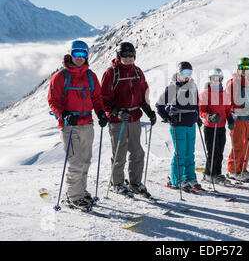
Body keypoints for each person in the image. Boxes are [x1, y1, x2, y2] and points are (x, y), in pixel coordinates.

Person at [48, 40, 108, 210]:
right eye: (76, 54)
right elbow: (52, 100)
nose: (80, 58)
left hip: (87, 123)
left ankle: (80, 190)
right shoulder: (61, 76)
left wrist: (101, 113)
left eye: (83, 54)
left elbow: (97, 98)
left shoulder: (91, 76)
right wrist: (64, 114)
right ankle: (73, 196)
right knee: (75, 162)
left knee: (86, 160)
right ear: (70, 54)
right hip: (69, 125)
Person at [101, 42, 156, 198]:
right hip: (118, 121)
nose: (128, 58)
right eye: (124, 56)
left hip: (134, 118)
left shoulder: (138, 72)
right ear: (119, 56)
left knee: (137, 152)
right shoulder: (111, 73)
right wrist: (117, 112)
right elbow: (103, 99)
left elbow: (143, 93)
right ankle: (117, 183)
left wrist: (148, 110)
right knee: (120, 153)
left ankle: (135, 183)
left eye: (131, 55)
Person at [155, 61, 203, 191]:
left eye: (189, 73)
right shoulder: (172, 88)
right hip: (179, 124)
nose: (186, 75)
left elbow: (195, 105)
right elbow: (159, 105)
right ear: (178, 73)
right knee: (180, 153)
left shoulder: (193, 86)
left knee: (189, 153)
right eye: (183, 73)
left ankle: (190, 177)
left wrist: (197, 117)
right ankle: (177, 180)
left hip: (191, 124)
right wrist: (168, 118)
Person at [225, 57, 249, 181]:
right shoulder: (233, 82)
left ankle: (242, 169)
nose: (245, 70)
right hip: (238, 119)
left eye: (247, 68)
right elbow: (229, 103)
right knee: (238, 146)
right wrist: (244, 110)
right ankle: (233, 170)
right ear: (238, 68)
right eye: (242, 68)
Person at [199, 68, 235, 186]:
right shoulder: (205, 94)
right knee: (212, 152)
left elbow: (227, 109)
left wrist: (230, 119)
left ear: (221, 80)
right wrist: (209, 117)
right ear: (210, 79)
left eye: (218, 79)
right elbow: (201, 110)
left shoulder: (224, 94)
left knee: (220, 152)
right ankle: (209, 174)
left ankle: (217, 174)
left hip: (221, 127)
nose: (216, 81)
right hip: (210, 128)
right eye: (213, 79)